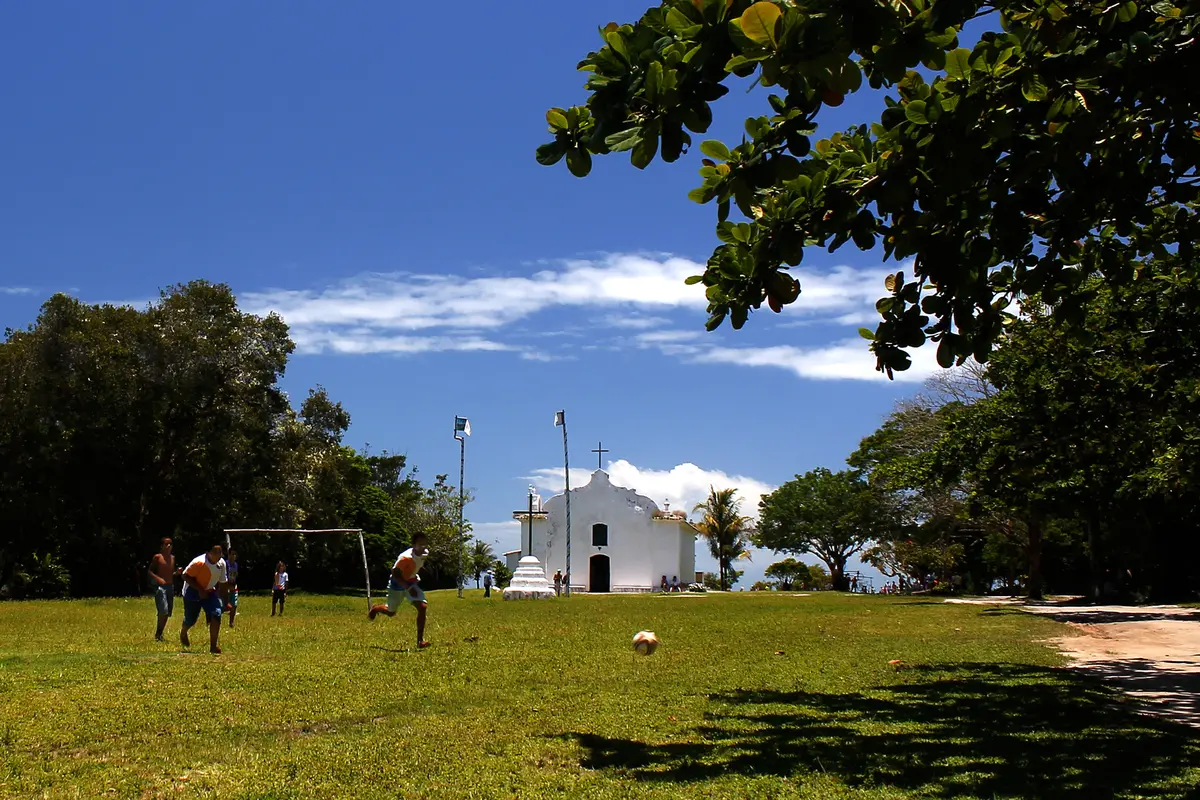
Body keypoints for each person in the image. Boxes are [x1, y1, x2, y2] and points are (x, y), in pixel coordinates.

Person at [367, 533, 430, 648]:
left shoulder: (425, 554)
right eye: (420, 544)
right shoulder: (405, 558)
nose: (423, 547)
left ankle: (420, 641)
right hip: (397, 584)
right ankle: (376, 609)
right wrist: (408, 588)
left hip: (411, 581)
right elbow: (395, 574)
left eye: (425, 544)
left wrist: (413, 578)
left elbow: (416, 566)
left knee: (422, 607)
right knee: (391, 612)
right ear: (413, 544)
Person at [180, 543, 228, 654]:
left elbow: (223, 583)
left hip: (210, 591)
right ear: (209, 553)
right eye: (215, 554)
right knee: (191, 620)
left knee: (217, 614)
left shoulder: (221, 564)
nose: (218, 557)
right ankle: (183, 632)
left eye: (220, 554)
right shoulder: (199, 562)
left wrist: (226, 602)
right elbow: (185, 575)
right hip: (192, 591)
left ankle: (213, 646)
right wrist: (200, 590)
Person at [148, 537, 181, 641]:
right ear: (161, 546)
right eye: (166, 544)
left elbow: (171, 574)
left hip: (170, 587)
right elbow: (150, 572)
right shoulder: (158, 557)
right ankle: (158, 633)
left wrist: (177, 573)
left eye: (170, 544)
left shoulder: (172, 558)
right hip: (161, 587)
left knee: (167, 613)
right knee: (163, 611)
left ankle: (159, 633)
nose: (168, 546)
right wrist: (158, 579)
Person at [225, 549, 240, 628]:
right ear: (229, 555)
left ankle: (231, 623)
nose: (234, 556)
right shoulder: (225, 564)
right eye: (232, 554)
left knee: (234, 605)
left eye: (235, 554)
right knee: (223, 606)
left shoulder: (236, 565)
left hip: (233, 587)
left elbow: (236, 575)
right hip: (226, 587)